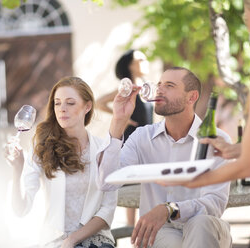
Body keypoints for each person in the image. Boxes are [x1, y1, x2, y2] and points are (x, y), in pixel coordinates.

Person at [165, 1, 250, 247]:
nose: (245, 24)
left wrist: (191, 180)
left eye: (246, 16)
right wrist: (236, 149)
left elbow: (248, 167)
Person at [97, 67, 232, 248]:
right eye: (159, 84)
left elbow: (214, 203)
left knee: (200, 224)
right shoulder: (141, 137)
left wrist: (170, 209)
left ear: (191, 97)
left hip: (205, 228)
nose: (159, 89)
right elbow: (106, 182)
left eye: (169, 85)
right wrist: (118, 121)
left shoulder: (218, 140)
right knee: (169, 241)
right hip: (161, 232)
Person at [5, 77, 117, 248]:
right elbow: (20, 209)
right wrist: (17, 170)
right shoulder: (42, 146)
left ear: (87, 106)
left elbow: (107, 209)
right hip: (54, 241)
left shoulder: (103, 149)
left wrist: (73, 240)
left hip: (95, 240)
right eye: (57, 103)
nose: (62, 109)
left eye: (70, 103)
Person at [96, 49, 153, 227]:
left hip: (148, 141)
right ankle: (132, 232)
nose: (145, 61)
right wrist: (122, 118)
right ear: (130, 65)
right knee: (132, 187)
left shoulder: (146, 87)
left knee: (147, 187)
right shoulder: (127, 88)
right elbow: (98, 102)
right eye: (140, 59)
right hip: (131, 142)